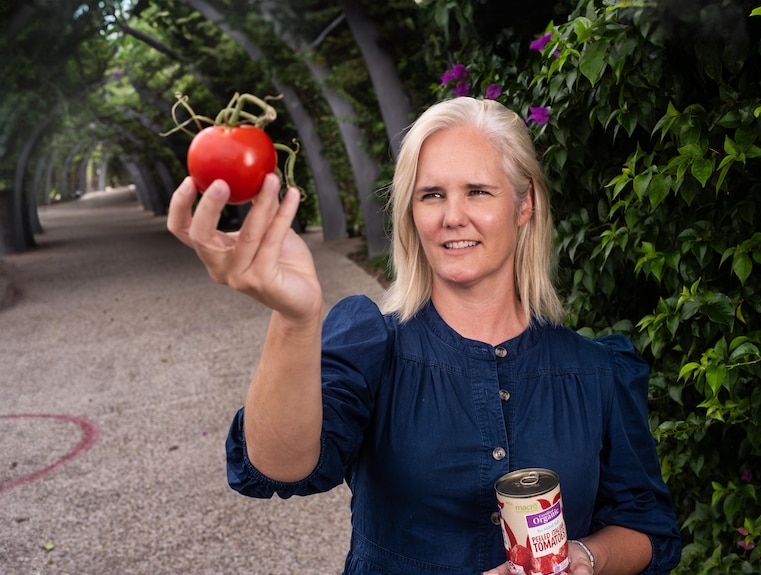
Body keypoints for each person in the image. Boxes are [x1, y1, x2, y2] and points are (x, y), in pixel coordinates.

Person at [167, 97, 681, 575]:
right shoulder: (374, 348)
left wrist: (587, 557)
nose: (452, 216)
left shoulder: (596, 370)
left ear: (524, 206)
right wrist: (296, 318)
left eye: (478, 191)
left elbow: (649, 528)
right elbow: (278, 469)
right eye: (431, 194)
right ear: (411, 213)